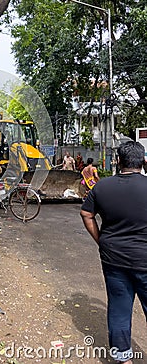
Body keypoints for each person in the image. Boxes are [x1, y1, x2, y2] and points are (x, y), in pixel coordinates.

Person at [80, 141, 147, 364]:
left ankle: (123, 360)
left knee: (119, 308)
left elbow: (86, 214)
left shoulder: (102, 187)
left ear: (118, 161)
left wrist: (101, 241)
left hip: (114, 259)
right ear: (143, 162)